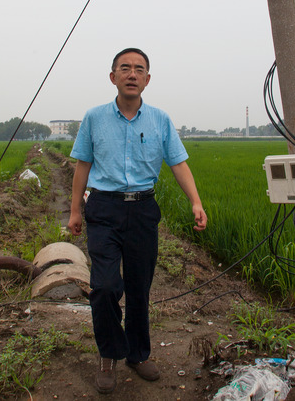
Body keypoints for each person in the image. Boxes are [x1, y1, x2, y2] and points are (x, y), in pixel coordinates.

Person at [68, 47, 207, 394]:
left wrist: (196, 202)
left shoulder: (159, 120)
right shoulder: (94, 118)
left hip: (143, 211)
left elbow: (178, 162)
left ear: (147, 79)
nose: (132, 74)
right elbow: (82, 164)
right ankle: (109, 355)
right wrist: (74, 211)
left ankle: (138, 354)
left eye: (139, 69)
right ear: (112, 76)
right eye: (125, 68)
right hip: (103, 208)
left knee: (139, 288)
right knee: (103, 287)